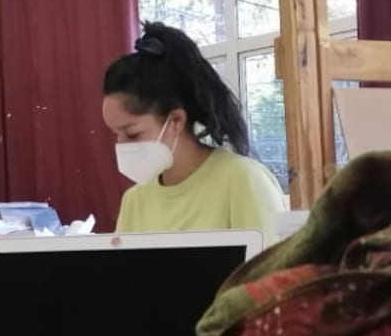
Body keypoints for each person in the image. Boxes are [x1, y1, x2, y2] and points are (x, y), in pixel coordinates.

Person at [102, 21, 287, 234]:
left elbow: (274, 256)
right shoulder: (134, 201)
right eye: (116, 134)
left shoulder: (243, 181)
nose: (121, 145)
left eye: (132, 133)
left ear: (175, 121)